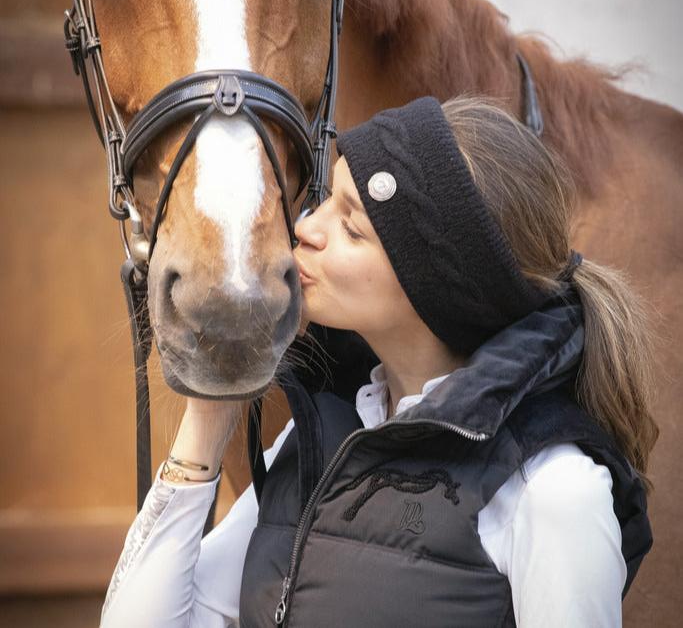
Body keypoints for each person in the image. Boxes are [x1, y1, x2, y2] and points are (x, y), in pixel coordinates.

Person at [100, 96, 658, 628]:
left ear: (435, 287)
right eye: (327, 202)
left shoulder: (550, 491)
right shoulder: (322, 438)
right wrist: (208, 417)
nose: (305, 229)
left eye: (351, 226)